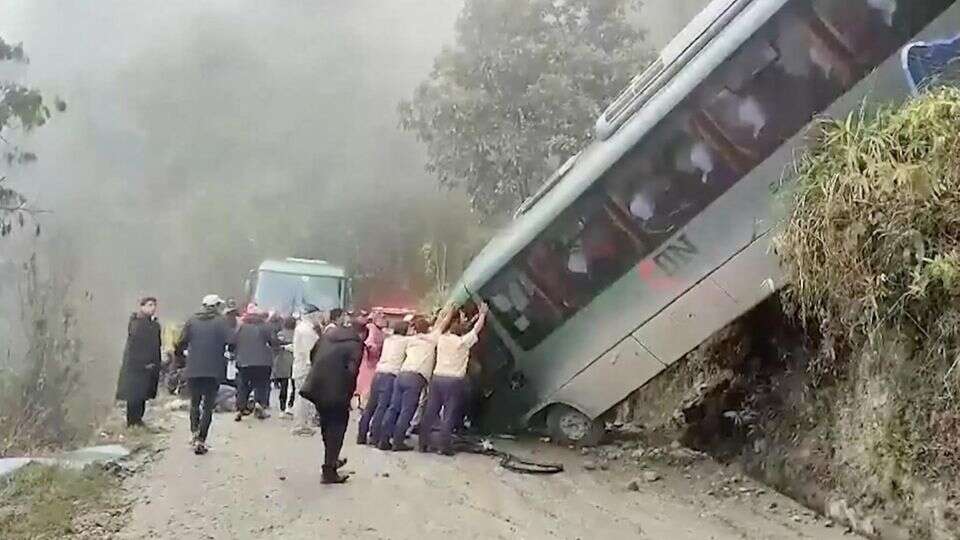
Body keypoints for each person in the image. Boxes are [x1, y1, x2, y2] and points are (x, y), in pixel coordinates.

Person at [377, 308, 455, 451]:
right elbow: (442, 324)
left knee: (394, 408)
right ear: (428, 329)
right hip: (415, 378)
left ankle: (384, 439)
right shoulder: (432, 339)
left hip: (401, 374)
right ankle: (398, 442)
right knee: (407, 410)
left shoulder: (410, 339)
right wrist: (450, 311)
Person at [300, 312, 363, 484]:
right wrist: (348, 394)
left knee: (327, 424)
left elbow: (313, 355)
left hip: (317, 386)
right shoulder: (355, 344)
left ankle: (331, 459)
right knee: (337, 427)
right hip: (337, 390)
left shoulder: (327, 337)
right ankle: (329, 470)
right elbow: (352, 371)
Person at [419, 304, 488, 455]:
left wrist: (449, 314)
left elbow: (440, 327)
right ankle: (444, 446)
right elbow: (477, 329)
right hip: (454, 381)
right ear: (462, 333)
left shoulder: (442, 339)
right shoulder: (463, 343)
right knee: (449, 413)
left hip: (437, 378)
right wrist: (482, 314)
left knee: (431, 411)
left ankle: (423, 443)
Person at [175, 294, 234, 455]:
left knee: (194, 403)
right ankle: (201, 438)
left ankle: (194, 432)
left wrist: (181, 358)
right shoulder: (221, 322)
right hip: (213, 370)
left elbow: (180, 343)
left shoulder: (192, 320)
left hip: (193, 368)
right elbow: (232, 341)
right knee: (208, 406)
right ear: (215, 306)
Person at [356, 320, 409, 445]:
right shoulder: (405, 342)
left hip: (379, 373)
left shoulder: (388, 340)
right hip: (390, 375)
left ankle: (361, 435)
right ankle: (375, 436)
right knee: (382, 407)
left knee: (370, 406)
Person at [115, 297, 162, 428]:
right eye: (149, 305)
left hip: (149, 365)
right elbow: (134, 346)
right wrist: (143, 362)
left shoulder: (153, 324)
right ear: (142, 307)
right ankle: (132, 421)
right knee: (134, 394)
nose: (152, 308)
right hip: (136, 365)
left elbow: (156, 345)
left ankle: (138, 420)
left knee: (143, 394)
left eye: (154, 305)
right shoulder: (137, 324)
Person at [234, 304, 278, 421]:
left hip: (243, 361)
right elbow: (273, 341)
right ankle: (259, 405)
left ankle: (240, 408)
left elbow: (233, 342)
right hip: (262, 361)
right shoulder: (265, 326)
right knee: (261, 384)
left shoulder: (241, 327)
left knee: (243, 385)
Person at [291, 305, 322, 436]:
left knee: (302, 397)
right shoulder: (307, 331)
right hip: (305, 368)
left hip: (300, 366)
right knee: (303, 399)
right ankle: (301, 425)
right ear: (312, 315)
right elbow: (311, 351)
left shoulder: (303, 328)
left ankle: (302, 424)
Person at [355, 313, 385, 410]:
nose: (384, 320)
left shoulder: (380, 331)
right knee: (366, 383)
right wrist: (374, 349)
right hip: (369, 360)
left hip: (372, 360)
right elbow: (370, 343)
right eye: (382, 317)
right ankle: (362, 402)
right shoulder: (372, 328)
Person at [272, 317, 296, 417]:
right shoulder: (297, 333)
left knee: (284, 386)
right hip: (294, 363)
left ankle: (283, 408)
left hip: (282, 363)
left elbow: (275, 347)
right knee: (294, 386)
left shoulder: (281, 334)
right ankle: (290, 405)